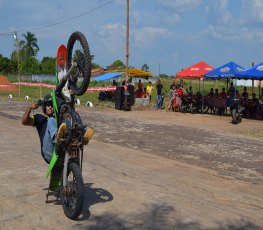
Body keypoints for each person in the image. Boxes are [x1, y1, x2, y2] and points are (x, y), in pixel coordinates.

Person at [22, 94, 94, 164]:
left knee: (71, 119)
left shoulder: (60, 119)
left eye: (52, 105)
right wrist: (30, 108)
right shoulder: (40, 118)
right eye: (48, 105)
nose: (50, 107)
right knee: (50, 120)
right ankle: (56, 137)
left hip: (60, 151)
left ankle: (82, 136)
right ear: (44, 107)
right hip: (48, 152)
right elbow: (24, 121)